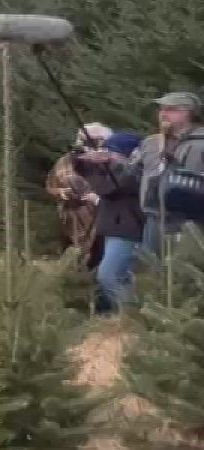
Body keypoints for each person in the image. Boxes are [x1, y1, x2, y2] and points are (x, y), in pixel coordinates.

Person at [115, 91, 204, 258]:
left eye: (171, 109)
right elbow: (132, 173)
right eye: (161, 109)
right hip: (155, 218)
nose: (163, 114)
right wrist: (113, 162)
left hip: (194, 222)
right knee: (153, 270)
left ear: (188, 112)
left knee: (188, 271)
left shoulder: (201, 142)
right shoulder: (150, 143)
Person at [73, 130, 144, 313]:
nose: (107, 155)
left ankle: (132, 316)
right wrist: (83, 162)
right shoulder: (116, 172)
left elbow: (112, 187)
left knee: (109, 276)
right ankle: (124, 317)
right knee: (122, 277)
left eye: (112, 151)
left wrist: (112, 163)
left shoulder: (136, 172)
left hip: (128, 230)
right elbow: (99, 183)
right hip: (115, 229)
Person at [45, 123, 112, 255]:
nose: (82, 144)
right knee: (73, 261)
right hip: (70, 220)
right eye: (81, 139)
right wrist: (61, 192)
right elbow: (50, 187)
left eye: (88, 140)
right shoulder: (64, 162)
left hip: (100, 222)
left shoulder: (108, 163)